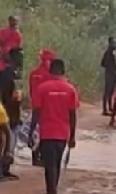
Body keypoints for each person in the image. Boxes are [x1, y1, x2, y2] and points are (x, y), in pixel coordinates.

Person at [28, 59, 78, 194]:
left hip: (47, 133)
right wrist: (72, 136)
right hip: (62, 134)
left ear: (50, 70)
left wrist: (31, 131)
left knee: (49, 166)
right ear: (63, 71)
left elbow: (36, 112)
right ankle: (52, 190)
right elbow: (73, 114)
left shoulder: (42, 88)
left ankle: (52, 191)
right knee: (55, 164)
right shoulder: (70, 89)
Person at [0, 48, 23, 181]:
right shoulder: (4, 75)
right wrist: (0, 112)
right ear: (11, 58)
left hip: (14, 113)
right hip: (5, 112)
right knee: (3, 143)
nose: (21, 59)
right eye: (19, 56)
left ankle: (5, 169)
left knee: (11, 143)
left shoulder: (16, 75)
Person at [28, 49, 56, 166]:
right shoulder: (49, 75)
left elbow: (30, 89)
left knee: (35, 130)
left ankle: (35, 157)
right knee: (45, 131)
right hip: (46, 106)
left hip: (35, 103)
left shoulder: (33, 73)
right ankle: (41, 156)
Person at [100, 37, 116, 116]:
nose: (114, 44)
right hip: (110, 73)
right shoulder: (110, 52)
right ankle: (105, 109)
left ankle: (109, 107)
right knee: (107, 91)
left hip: (112, 73)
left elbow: (103, 63)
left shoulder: (113, 52)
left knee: (111, 91)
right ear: (110, 43)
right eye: (113, 42)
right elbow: (103, 63)